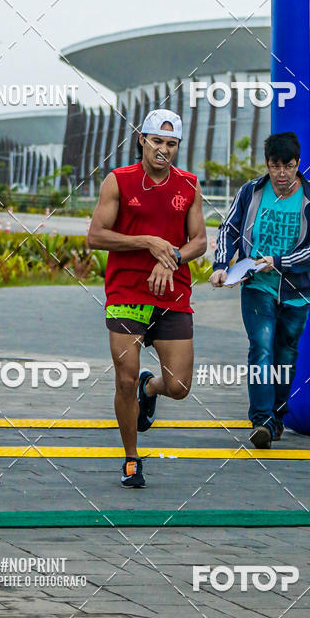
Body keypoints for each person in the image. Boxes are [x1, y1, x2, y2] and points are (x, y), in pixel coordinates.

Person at [87, 109, 207, 487]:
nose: (164, 150)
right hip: (126, 294)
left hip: (172, 293)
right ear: (142, 139)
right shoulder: (119, 181)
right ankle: (131, 459)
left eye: (171, 144)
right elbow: (95, 237)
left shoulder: (189, 185)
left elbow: (200, 242)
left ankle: (149, 387)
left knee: (179, 387)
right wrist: (148, 242)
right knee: (124, 379)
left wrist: (170, 258)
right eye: (157, 141)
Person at [210, 132, 310, 449]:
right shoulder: (251, 192)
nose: (281, 174)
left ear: (298, 164)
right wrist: (221, 265)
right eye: (275, 165)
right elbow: (229, 229)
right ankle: (261, 419)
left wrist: (278, 262)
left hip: (297, 292)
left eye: (287, 166)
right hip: (257, 287)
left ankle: (277, 415)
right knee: (261, 348)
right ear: (267, 164)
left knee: (285, 355)